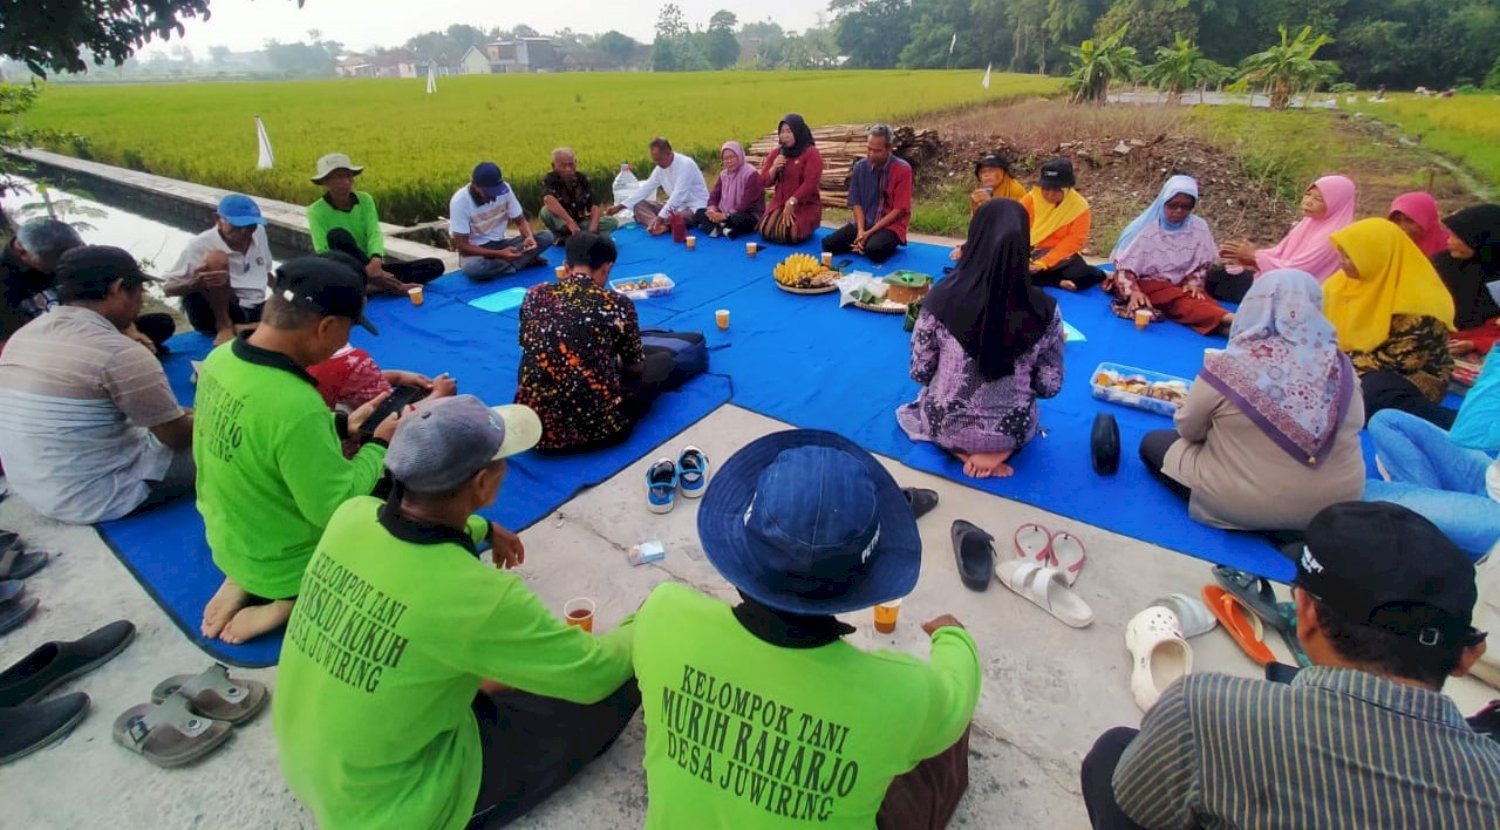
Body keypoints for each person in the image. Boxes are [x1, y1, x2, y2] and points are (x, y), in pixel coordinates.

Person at [274, 395, 639, 830]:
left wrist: (484, 528)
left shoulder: (351, 516)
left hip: (316, 771)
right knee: (621, 678)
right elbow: (594, 673)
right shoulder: (478, 595)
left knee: (480, 667)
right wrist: (656, 618)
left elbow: (413, 522)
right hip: (397, 807)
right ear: (482, 484)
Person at [631, 428, 981, 829]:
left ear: (740, 548)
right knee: (934, 748)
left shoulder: (664, 613)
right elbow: (959, 695)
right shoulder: (903, 693)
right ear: (865, 580)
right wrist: (954, 637)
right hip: (906, 705)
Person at [1081, 501, 1500, 830]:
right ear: (1466, 657)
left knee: (1115, 752)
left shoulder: (1204, 710)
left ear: (1306, 614)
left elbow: (1137, 802)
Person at [194, 255, 400, 645]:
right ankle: (290, 600)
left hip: (231, 540)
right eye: (348, 331)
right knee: (404, 487)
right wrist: (379, 443)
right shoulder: (295, 404)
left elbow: (258, 439)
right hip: (290, 564)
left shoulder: (220, 360)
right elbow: (335, 505)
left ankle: (243, 576)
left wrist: (340, 424)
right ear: (327, 327)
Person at [1138, 270, 1365, 531]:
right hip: (1337, 506)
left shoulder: (1230, 365)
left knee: (1154, 443)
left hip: (1246, 503)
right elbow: (1355, 422)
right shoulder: (1339, 364)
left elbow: (1188, 428)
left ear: (1256, 304)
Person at [0, 246, 194, 523]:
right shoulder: (119, 352)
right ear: (117, 288)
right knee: (238, 444)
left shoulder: (25, 335)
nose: (142, 299)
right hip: (98, 495)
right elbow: (175, 437)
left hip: (37, 488)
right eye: (140, 290)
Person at [897, 200, 1064, 479]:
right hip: (1013, 429)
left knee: (924, 405)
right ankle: (998, 449)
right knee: (1018, 412)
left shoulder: (940, 299)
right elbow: (1049, 386)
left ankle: (960, 450)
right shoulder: (1046, 310)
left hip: (945, 424)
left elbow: (920, 370)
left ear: (974, 238)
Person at [514, 232, 673, 453]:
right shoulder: (616, 303)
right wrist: (612, 361)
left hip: (534, 429)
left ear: (566, 266)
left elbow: (526, 345)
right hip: (600, 428)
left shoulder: (534, 294)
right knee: (663, 360)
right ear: (607, 268)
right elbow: (634, 367)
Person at [1363, 349, 1500, 557]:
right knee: (1387, 421)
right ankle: (1426, 514)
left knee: (1361, 490)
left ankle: (1423, 517)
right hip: (1491, 480)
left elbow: (1468, 434)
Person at [1324, 217, 1456, 426]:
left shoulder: (1419, 301)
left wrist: (1334, 362)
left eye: (1349, 256)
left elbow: (1403, 362)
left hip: (1408, 375)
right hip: (1349, 363)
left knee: (1371, 394)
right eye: (1340, 253)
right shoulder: (1340, 285)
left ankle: (1456, 425)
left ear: (1377, 257)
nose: (1341, 262)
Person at [1, 218, 173, 354]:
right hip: (49, 346)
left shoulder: (73, 261)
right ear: (23, 253)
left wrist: (130, 331)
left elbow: (102, 301)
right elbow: (11, 344)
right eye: (57, 261)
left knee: (160, 324)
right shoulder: (5, 282)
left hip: (90, 327)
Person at [1107, 175, 1233, 336]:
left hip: (1181, 282)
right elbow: (1123, 268)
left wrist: (1194, 283)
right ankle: (1232, 320)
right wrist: (1133, 292)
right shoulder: (1145, 229)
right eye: (1173, 205)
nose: (1179, 211)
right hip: (1148, 283)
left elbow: (1202, 264)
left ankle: (1228, 327)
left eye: (1186, 207)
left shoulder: (1198, 227)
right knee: (1177, 300)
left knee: (1199, 299)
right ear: (1163, 202)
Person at [306, 152, 445, 293]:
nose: (346, 181)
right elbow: (324, 251)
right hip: (344, 271)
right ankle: (384, 284)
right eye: (339, 177)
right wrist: (366, 269)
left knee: (434, 265)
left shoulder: (365, 200)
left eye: (348, 175)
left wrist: (376, 261)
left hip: (373, 267)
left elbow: (374, 232)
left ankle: (372, 287)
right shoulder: (316, 211)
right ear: (325, 182)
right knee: (337, 236)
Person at [1211, 174, 1358, 303]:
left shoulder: (1333, 236)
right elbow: (1280, 253)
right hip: (1277, 279)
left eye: (1318, 199)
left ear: (1336, 204)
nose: (1308, 202)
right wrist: (1251, 259)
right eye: (1308, 195)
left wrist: (1255, 257)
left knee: (1216, 282)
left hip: (1295, 295)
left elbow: (1297, 272)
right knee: (1218, 276)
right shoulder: (1310, 223)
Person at [167, 193, 274, 345]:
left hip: (253, 308)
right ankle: (224, 326)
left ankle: (246, 328)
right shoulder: (199, 244)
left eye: (250, 226)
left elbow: (267, 272)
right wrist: (197, 283)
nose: (244, 232)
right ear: (218, 220)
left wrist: (285, 295)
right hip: (220, 308)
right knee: (215, 259)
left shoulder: (259, 233)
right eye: (237, 227)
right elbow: (168, 289)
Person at [823, 123, 912, 264]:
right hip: (866, 222)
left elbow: (899, 210)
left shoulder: (903, 170)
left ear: (889, 149)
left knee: (874, 251)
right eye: (868, 149)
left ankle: (867, 242)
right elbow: (856, 202)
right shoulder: (860, 167)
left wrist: (869, 233)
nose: (871, 154)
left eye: (876, 151)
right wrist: (860, 230)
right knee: (828, 244)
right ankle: (862, 241)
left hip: (890, 226)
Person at [450, 162, 554, 281]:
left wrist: (528, 237)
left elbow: (520, 221)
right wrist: (500, 254)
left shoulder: (505, 189)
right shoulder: (460, 202)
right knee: (474, 268)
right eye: (489, 192)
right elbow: (462, 246)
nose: (494, 197)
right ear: (476, 186)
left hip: (501, 243)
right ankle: (522, 262)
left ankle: (509, 264)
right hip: (476, 250)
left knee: (547, 236)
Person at [1022, 158, 1105, 291]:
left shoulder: (1079, 207)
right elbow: (1015, 230)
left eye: (1056, 190)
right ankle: (1056, 282)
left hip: (1058, 255)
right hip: (1028, 251)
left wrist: (1044, 262)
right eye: (1046, 189)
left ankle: (1049, 279)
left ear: (1067, 188)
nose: (1049, 194)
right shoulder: (1029, 200)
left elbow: (1074, 241)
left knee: (1080, 275)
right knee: (1008, 271)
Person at [607, 137, 710, 235]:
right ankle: (657, 226)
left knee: (679, 217)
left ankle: (663, 225)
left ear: (668, 153)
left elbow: (678, 196)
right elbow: (646, 188)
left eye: (659, 159)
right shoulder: (659, 168)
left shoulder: (686, 164)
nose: (657, 163)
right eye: (654, 160)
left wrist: (660, 217)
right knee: (639, 205)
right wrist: (621, 206)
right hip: (672, 206)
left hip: (693, 206)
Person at [1436, 204, 1500, 356]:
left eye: (1457, 237)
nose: (1449, 241)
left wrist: (1477, 343)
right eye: (1450, 235)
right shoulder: (1442, 264)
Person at [758, 113, 824, 245]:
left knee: (790, 235)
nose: (784, 136)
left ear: (798, 131)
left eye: (789, 131)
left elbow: (811, 183)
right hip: (780, 203)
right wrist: (774, 168)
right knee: (766, 230)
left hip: (804, 204)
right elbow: (764, 181)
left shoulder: (811, 153)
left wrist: (793, 201)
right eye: (782, 132)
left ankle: (807, 226)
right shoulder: (777, 153)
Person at [538, 147, 618, 242]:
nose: (568, 169)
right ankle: (569, 236)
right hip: (562, 222)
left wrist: (592, 228)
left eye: (571, 164)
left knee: (611, 222)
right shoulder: (550, 179)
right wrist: (569, 222)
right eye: (563, 166)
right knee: (545, 211)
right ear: (554, 166)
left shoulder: (582, 179)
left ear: (575, 162)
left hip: (579, 222)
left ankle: (577, 238)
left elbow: (594, 204)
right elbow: (548, 199)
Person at [694, 141, 763, 239]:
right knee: (699, 213)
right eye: (725, 158)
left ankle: (718, 227)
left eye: (732, 157)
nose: (729, 161)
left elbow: (745, 204)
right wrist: (712, 210)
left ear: (739, 156)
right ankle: (725, 229)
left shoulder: (751, 174)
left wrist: (725, 216)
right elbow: (714, 196)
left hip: (746, 214)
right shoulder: (724, 175)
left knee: (740, 220)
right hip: (723, 213)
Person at [1388, 191, 1450, 257]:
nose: (1402, 227)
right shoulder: (1388, 248)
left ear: (1428, 220)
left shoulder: (1452, 249)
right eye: (1397, 220)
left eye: (1409, 221)